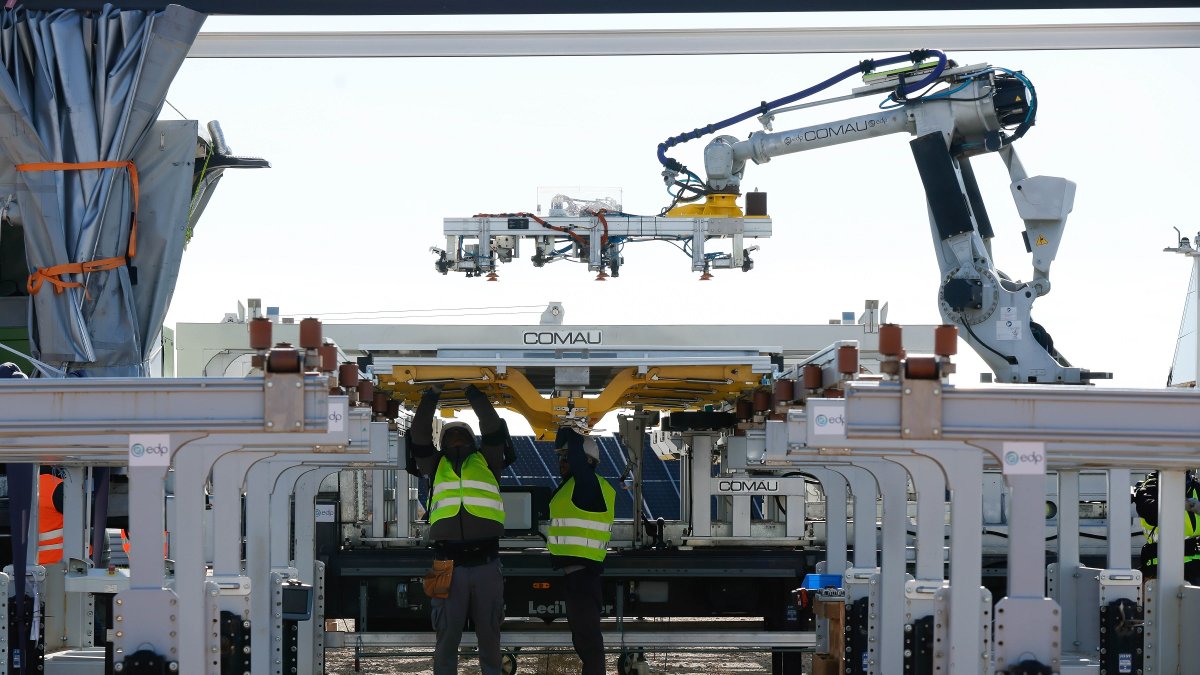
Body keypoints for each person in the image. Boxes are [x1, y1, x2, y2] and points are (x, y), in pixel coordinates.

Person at [409, 383, 510, 675]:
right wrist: (431, 396)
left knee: (490, 635)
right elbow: (418, 434)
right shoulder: (433, 464)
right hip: (445, 563)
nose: (455, 439)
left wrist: (473, 393)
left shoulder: (489, 461)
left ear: (471, 440)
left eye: (460, 434)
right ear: (442, 443)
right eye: (449, 435)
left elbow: (492, 427)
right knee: (446, 637)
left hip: (486, 563)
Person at [549, 427, 616, 675]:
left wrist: (570, 427)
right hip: (575, 576)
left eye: (567, 458)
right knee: (583, 639)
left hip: (583, 576)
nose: (562, 463)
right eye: (560, 458)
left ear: (587, 461)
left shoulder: (587, 484)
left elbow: (578, 459)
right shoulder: (576, 486)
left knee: (588, 642)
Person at [1132, 470, 1200, 584]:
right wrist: (1187, 504)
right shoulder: (1150, 487)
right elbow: (1150, 511)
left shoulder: (1195, 487)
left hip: (1195, 567)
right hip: (1161, 567)